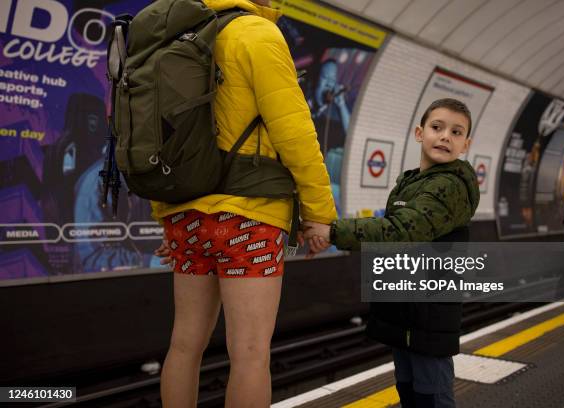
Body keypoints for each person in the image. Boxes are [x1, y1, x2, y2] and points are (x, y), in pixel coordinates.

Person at [153, 0, 337, 406]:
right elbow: (295, 133)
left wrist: (165, 214)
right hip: (248, 218)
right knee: (250, 354)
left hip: (185, 217)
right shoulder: (258, 34)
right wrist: (320, 213)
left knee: (183, 347)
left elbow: (156, 137)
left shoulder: (180, 37)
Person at [303, 98, 480, 407]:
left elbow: (401, 231)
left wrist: (331, 233)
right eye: (437, 127)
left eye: (456, 132)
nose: (445, 136)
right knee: (409, 391)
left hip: (428, 316)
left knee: (431, 397)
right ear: (419, 133)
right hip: (404, 310)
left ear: (465, 145)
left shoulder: (450, 187)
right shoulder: (409, 183)